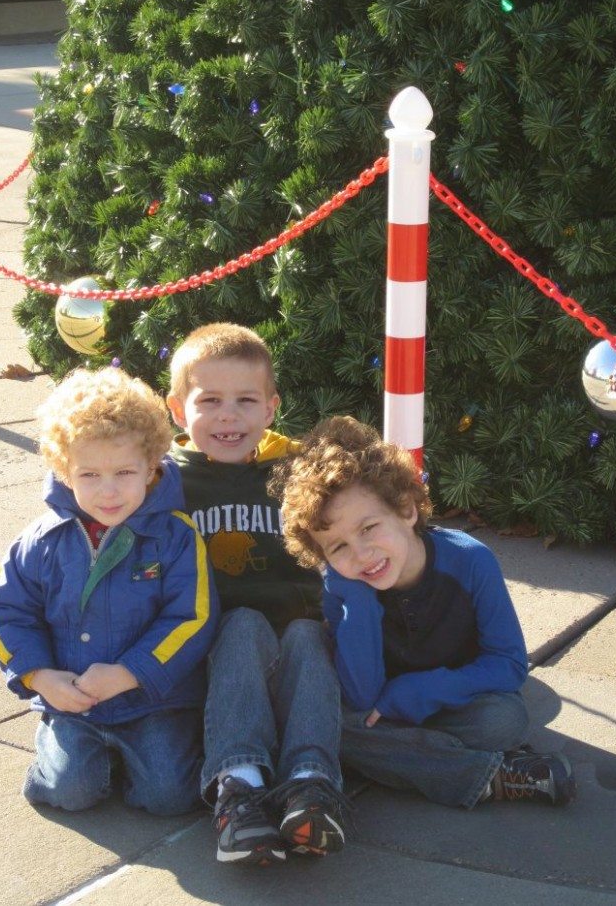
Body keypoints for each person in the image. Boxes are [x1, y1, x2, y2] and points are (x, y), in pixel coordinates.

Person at [271, 415, 577, 810]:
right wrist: (359, 603)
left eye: (368, 528)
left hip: (448, 699)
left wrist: (419, 691)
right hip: (376, 708)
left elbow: (508, 665)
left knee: (503, 721)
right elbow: (361, 694)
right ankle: (493, 775)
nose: (362, 555)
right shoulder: (346, 586)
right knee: (333, 721)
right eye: (338, 547)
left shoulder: (470, 561)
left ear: (406, 509)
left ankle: (404, 757)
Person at [0, 367, 219, 815]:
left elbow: (193, 617)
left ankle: (125, 760)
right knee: (70, 792)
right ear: (64, 471)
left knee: (169, 796)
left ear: (152, 468)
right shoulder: (43, 539)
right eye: (89, 474)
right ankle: (65, 752)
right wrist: (40, 676)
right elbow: (4, 609)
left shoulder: (174, 537)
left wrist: (130, 672)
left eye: (124, 472)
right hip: (73, 700)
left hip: (151, 699)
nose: (108, 492)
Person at [167, 323, 346, 865]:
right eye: (210, 401)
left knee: (308, 635)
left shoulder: (293, 470)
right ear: (178, 409)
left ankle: (310, 782)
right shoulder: (161, 481)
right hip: (216, 654)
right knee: (241, 622)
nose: (229, 416)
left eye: (246, 401)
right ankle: (238, 786)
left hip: (295, 643)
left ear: (270, 408)